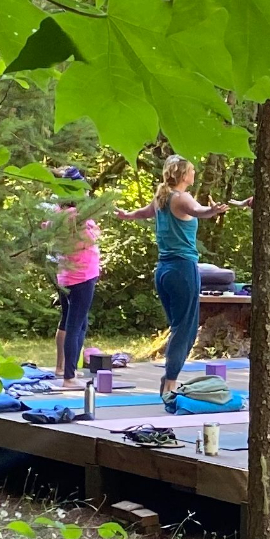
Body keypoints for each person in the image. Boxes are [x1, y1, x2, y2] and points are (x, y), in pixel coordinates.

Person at [112, 155, 242, 402]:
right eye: (192, 170)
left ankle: (170, 378)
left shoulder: (161, 197)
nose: (195, 174)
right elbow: (197, 210)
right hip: (182, 269)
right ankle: (170, 383)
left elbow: (143, 213)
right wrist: (211, 211)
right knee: (186, 329)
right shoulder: (181, 197)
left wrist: (127, 215)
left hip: (163, 270)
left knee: (177, 328)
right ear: (183, 175)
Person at [49, 169, 100, 382]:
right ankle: (69, 377)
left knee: (75, 322)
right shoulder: (76, 217)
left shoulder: (58, 213)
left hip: (67, 275)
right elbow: (90, 239)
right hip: (81, 276)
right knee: (75, 325)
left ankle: (64, 369)